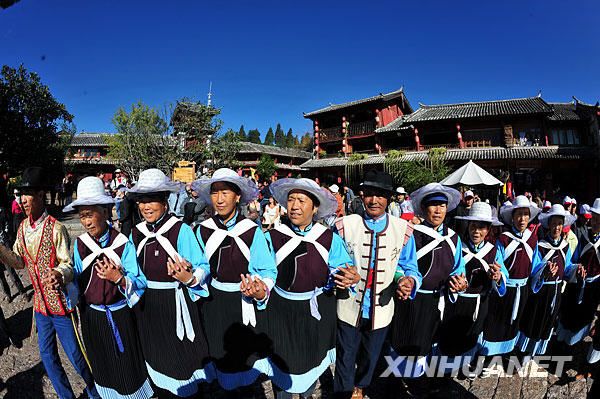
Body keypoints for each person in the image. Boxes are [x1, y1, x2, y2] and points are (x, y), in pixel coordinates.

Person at [0, 167, 99, 399]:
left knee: (76, 355)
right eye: (21, 195)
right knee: (47, 356)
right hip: (40, 308)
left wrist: (58, 273)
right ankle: (66, 396)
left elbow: (68, 264)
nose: (23, 201)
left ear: (41, 195)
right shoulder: (23, 228)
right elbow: (19, 262)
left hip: (61, 306)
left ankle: (96, 392)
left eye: (28, 195)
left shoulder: (56, 228)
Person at [333, 170, 421, 399]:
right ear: (362, 196)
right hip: (349, 303)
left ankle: (361, 385)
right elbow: (334, 260)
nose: (374, 200)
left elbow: (409, 267)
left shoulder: (402, 230)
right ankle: (344, 392)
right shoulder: (344, 225)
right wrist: (341, 273)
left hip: (381, 308)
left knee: (371, 355)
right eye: (369, 194)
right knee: (345, 354)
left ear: (389, 198)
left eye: (381, 195)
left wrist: (407, 280)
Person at [64, 176, 153, 398]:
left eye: (90, 214)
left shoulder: (123, 244)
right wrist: (64, 282)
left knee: (127, 369)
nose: (86, 222)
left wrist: (119, 279)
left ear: (105, 212)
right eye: (82, 216)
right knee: (102, 366)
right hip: (92, 318)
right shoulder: (81, 245)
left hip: (120, 317)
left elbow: (139, 282)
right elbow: (75, 277)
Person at [266, 178, 355, 399]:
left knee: (311, 361)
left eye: (302, 201)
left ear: (314, 207)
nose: (295, 206)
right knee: (282, 363)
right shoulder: (272, 237)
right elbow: (263, 272)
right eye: (291, 199)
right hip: (280, 311)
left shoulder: (328, 239)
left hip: (316, 311)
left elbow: (342, 268)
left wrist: (348, 276)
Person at [128, 169, 213, 397]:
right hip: (147, 307)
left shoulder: (180, 231)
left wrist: (189, 278)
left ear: (165, 201)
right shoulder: (135, 234)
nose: (146, 206)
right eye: (142, 200)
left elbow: (202, 266)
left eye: (152, 200)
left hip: (176, 304)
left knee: (181, 360)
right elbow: (130, 270)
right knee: (154, 356)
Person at [192, 168, 277, 390]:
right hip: (214, 302)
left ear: (237, 196)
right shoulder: (202, 231)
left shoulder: (251, 230)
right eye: (215, 193)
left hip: (244, 303)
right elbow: (199, 268)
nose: (219, 200)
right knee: (219, 354)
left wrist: (260, 289)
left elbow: (267, 270)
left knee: (244, 360)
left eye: (225, 193)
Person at [389, 182, 467, 378]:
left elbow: (459, 268)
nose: (438, 210)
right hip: (414, 300)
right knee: (409, 340)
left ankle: (428, 378)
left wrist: (460, 282)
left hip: (439, 300)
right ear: (423, 208)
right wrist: (402, 279)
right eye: (433, 205)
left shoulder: (454, 238)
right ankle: (406, 380)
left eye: (442, 205)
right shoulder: (412, 235)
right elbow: (399, 265)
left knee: (433, 340)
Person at [435, 201, 507, 374]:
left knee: (471, 335)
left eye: (482, 228)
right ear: (467, 226)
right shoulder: (458, 245)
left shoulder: (493, 251)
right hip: (456, 303)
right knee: (451, 337)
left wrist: (497, 277)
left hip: (478, 303)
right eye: (473, 226)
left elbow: (503, 277)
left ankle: (463, 367)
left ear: (488, 230)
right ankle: (444, 373)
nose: (476, 231)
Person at [480, 195, 543, 356]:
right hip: (505, 288)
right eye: (519, 215)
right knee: (497, 321)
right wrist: (500, 275)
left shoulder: (533, 239)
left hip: (522, 289)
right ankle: (487, 356)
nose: (522, 219)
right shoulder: (503, 239)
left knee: (514, 322)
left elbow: (536, 265)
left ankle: (506, 352)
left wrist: (546, 270)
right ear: (512, 217)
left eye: (526, 214)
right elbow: (499, 261)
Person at [516, 204, 576, 356]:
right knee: (534, 321)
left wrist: (577, 269)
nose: (557, 227)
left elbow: (567, 268)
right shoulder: (541, 245)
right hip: (540, 293)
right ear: (548, 224)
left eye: (560, 224)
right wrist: (544, 272)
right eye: (554, 223)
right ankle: (524, 351)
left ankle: (535, 352)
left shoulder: (565, 246)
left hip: (556, 292)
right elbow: (534, 270)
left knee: (547, 322)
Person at [556, 198, 600, 350]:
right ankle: (562, 343)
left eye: (599, 220)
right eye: (594, 218)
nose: (596, 223)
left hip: (593, 288)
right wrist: (576, 268)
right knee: (569, 312)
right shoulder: (583, 236)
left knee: (584, 317)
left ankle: (574, 345)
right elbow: (572, 259)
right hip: (576, 283)